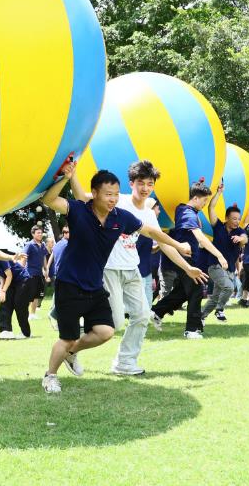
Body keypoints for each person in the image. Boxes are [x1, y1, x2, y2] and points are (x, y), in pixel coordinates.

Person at [39, 161, 203, 393]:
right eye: (108, 194)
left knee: (108, 330)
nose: (113, 198)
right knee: (69, 336)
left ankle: (95, 356)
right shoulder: (80, 210)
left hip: (99, 282)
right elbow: (54, 200)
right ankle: (50, 375)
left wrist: (180, 249)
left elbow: (151, 232)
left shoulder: (121, 216)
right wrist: (68, 177)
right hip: (73, 282)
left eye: (115, 195)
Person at [99, 160, 199, 373]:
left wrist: (187, 267)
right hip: (108, 267)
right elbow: (87, 199)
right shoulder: (118, 201)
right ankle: (70, 340)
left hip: (132, 268)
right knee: (115, 323)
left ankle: (125, 362)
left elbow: (162, 242)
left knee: (143, 315)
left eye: (150, 184)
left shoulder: (147, 213)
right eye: (141, 183)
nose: (145, 188)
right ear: (131, 183)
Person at [150, 179, 227, 339]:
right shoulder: (187, 212)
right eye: (204, 200)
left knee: (184, 291)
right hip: (184, 258)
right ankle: (192, 330)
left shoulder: (183, 209)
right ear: (196, 198)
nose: (205, 204)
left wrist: (218, 193)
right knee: (196, 290)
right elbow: (201, 238)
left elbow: (210, 205)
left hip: (185, 258)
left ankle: (157, 311)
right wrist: (219, 255)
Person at [199, 185, 247, 322]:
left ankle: (200, 317)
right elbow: (211, 208)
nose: (237, 221)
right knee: (229, 287)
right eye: (234, 218)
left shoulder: (240, 231)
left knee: (215, 297)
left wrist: (241, 239)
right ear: (226, 218)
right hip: (215, 265)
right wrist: (219, 193)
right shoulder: (218, 226)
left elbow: (245, 239)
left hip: (230, 269)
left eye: (239, 219)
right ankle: (220, 310)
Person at [24, 227, 50, 319]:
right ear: (33, 234)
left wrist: (46, 269)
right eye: (38, 233)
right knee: (29, 295)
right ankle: (24, 313)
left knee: (36, 295)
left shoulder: (42, 244)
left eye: (41, 233)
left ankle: (32, 314)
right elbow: (24, 257)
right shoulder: (29, 245)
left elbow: (44, 257)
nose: (40, 234)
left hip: (39, 274)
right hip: (30, 273)